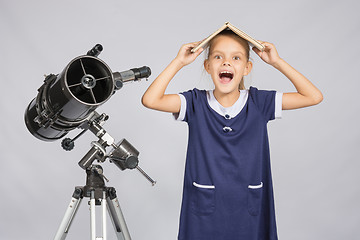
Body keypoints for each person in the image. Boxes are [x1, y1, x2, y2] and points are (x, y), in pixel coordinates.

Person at [142, 30, 323, 240]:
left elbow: (313, 96)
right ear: (207, 66)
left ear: (247, 68)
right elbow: (150, 100)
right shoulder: (194, 103)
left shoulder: (259, 102)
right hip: (204, 211)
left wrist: (277, 62)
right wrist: (178, 62)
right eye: (218, 56)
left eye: (236, 58)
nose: (226, 63)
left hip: (249, 209)